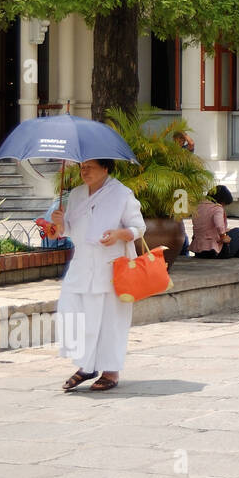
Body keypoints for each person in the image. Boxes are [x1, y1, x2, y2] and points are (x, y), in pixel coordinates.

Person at [49, 159, 146, 393]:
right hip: (82, 264)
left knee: (110, 319)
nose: (84, 172)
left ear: (105, 168)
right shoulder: (76, 194)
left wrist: (119, 234)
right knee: (72, 311)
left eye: (90, 167)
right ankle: (86, 365)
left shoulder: (122, 193)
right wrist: (59, 224)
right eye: (82, 167)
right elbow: (70, 230)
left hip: (110, 266)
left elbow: (139, 227)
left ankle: (110, 370)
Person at [192, 186, 239, 259]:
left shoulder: (198, 207)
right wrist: (223, 236)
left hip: (199, 251)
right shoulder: (217, 208)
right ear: (221, 200)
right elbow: (219, 225)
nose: (223, 206)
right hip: (214, 251)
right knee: (238, 231)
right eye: (224, 204)